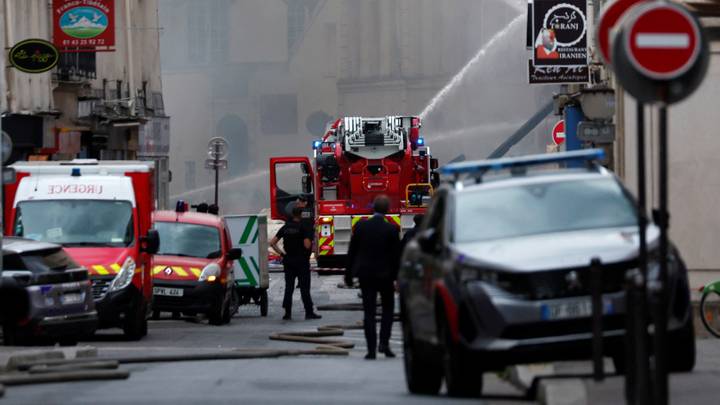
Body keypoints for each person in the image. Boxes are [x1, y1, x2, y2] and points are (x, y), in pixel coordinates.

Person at [347, 195, 401, 359]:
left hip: (366, 275)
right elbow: (396, 257)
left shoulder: (361, 227)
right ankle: (384, 343)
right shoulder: (391, 230)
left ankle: (370, 350)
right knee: (387, 311)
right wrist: (398, 278)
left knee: (369, 312)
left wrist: (348, 275)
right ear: (388, 210)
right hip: (385, 276)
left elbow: (352, 252)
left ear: (372, 208)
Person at [270, 206, 322, 321]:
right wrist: (311, 238)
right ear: (301, 215)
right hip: (301, 261)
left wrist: (282, 255)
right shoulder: (303, 227)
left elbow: (272, 243)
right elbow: (307, 245)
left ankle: (287, 313)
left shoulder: (285, 227)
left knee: (289, 287)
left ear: (292, 214)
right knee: (304, 288)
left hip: (289, 261)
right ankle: (309, 312)